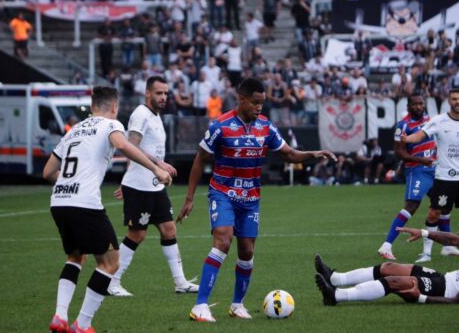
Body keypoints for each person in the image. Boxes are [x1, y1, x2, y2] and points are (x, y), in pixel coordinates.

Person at [176, 77, 337, 322]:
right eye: (255, 102)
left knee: (247, 251)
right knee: (223, 241)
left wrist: (312, 154)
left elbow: (289, 154)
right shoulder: (220, 126)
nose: (259, 107)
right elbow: (200, 159)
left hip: (251, 198)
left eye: (262, 102)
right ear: (241, 99)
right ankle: (200, 306)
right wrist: (189, 198)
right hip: (223, 193)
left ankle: (237, 305)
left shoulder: (266, 127)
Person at [44, 87, 171, 333]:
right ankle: (82, 324)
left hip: (59, 201)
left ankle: (60, 316)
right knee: (111, 263)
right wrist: (156, 168)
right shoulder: (111, 125)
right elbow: (122, 145)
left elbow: (47, 172)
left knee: (76, 255)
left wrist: (70, 182)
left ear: (92, 106)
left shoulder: (73, 132)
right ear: (114, 107)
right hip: (84, 202)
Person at [107, 76, 199, 297]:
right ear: (147, 94)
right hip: (140, 186)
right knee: (137, 234)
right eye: (159, 93)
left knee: (169, 230)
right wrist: (158, 163)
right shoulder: (140, 114)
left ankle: (180, 282)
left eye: (166, 93)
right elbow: (130, 146)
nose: (164, 97)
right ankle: (111, 282)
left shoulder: (155, 116)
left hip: (155, 185)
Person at [402, 88, 459, 262]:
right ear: (449, 101)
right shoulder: (439, 121)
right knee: (434, 213)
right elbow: (420, 135)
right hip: (444, 177)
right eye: (454, 99)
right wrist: (407, 139)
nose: (457, 102)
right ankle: (426, 253)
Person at [315, 227, 459, 306]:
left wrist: (420, 298)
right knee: (389, 267)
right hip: (444, 278)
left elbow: (457, 300)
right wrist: (423, 232)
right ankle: (335, 278)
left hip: (443, 291)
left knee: (393, 281)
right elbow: (455, 239)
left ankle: (336, 296)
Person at [377, 94, 459, 261]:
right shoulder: (403, 125)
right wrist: (421, 160)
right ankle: (386, 246)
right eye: (415, 104)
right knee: (412, 205)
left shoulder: (430, 120)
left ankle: (448, 246)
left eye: (421, 103)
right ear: (408, 106)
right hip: (417, 171)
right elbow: (399, 153)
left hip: (435, 170)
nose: (418, 106)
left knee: (443, 205)